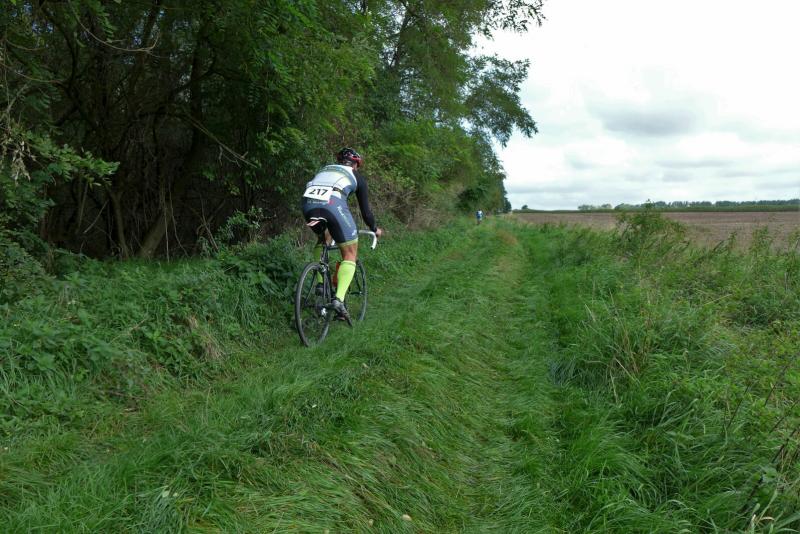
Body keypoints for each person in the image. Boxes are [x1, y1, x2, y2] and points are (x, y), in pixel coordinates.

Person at [301, 148, 382, 320]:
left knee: (324, 239)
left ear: (339, 161)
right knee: (350, 253)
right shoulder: (356, 176)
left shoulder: (325, 169)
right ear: (356, 164)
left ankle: (321, 285)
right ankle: (338, 300)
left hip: (308, 205)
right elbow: (366, 213)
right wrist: (375, 228)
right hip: (333, 205)